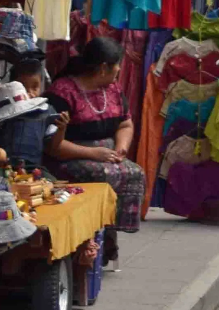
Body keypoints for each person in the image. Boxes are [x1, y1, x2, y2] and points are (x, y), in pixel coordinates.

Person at [45, 36, 146, 237]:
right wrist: (93, 153)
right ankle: (93, 234)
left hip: (105, 153)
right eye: (116, 66)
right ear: (102, 68)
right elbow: (51, 143)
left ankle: (109, 234)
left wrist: (121, 148)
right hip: (71, 154)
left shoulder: (113, 89)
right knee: (105, 175)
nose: (119, 71)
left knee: (135, 173)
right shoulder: (63, 92)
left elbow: (125, 123)